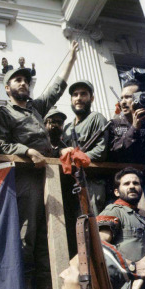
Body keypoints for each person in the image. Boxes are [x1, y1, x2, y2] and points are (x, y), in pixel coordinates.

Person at [0, 41, 78, 289]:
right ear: (7, 87)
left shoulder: (34, 108)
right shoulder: (5, 112)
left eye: (26, 80)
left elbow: (55, 90)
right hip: (25, 177)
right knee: (27, 233)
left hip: (47, 176)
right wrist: (27, 149)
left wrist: (71, 59)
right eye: (17, 80)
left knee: (47, 234)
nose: (23, 83)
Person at [60, 80, 109, 257]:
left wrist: (81, 157)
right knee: (76, 233)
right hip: (72, 186)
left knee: (93, 231)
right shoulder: (67, 127)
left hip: (92, 184)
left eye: (83, 94)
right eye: (75, 95)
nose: (79, 98)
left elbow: (101, 151)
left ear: (91, 98)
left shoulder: (97, 118)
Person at [97, 167, 145, 289]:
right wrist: (132, 267)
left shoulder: (140, 217)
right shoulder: (114, 211)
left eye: (136, 183)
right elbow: (100, 248)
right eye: (126, 183)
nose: (132, 186)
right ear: (116, 192)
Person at [108, 79, 145, 165]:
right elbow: (114, 153)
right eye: (122, 98)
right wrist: (134, 128)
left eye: (128, 97)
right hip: (123, 175)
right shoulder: (113, 124)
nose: (123, 102)